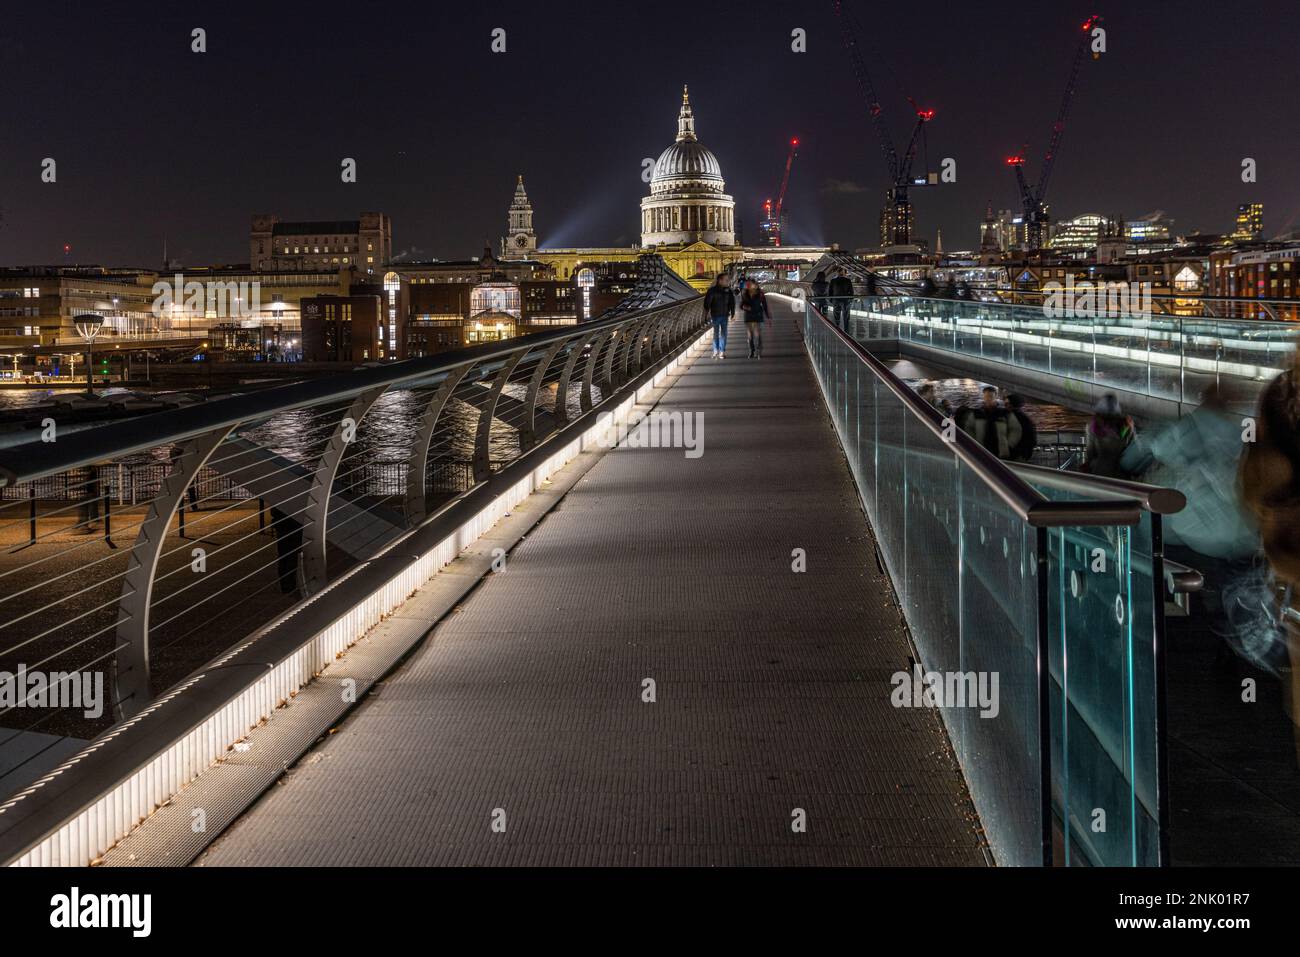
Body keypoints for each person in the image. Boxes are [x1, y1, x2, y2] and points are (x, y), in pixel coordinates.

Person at [1081, 393, 1135, 478]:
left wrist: (1088, 464)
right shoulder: (1125, 426)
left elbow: (1090, 453)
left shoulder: (1093, 427)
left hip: (1100, 473)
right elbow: (1132, 448)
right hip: (1121, 475)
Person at [962, 385, 1011, 458]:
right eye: (986, 396)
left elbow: (1014, 429)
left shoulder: (1004, 412)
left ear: (996, 397)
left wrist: (1009, 445)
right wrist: (974, 443)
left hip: (1000, 450)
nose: (988, 399)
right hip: (982, 449)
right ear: (983, 397)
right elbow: (969, 428)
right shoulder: (977, 412)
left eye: (991, 396)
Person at [703, 272, 734, 359]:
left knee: (720, 333)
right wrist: (705, 316)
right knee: (719, 333)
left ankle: (720, 351)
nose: (727, 281)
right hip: (717, 315)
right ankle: (718, 351)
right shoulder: (713, 291)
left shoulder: (725, 290)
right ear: (720, 281)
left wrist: (733, 313)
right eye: (726, 280)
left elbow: (732, 302)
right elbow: (707, 304)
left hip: (722, 315)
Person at [740, 279, 770, 359]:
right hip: (748, 316)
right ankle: (751, 351)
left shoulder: (760, 294)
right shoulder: (744, 293)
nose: (750, 285)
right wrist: (745, 307)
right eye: (749, 284)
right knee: (750, 336)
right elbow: (741, 305)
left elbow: (765, 305)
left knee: (757, 335)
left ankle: (758, 351)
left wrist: (768, 316)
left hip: (757, 315)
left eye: (752, 284)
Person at [1005, 393, 1037, 462]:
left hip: (1016, 456)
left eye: (1007, 404)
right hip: (1021, 455)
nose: (1005, 406)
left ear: (1012, 404)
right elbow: (1032, 440)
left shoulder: (1012, 418)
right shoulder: (1025, 419)